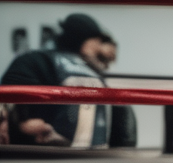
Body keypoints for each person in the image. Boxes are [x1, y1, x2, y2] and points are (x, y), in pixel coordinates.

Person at [1, 13, 112, 147]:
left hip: (38, 155)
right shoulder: (94, 74)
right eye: (98, 42)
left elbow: (8, 95)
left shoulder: (33, 59)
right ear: (88, 42)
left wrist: (20, 123)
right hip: (92, 159)